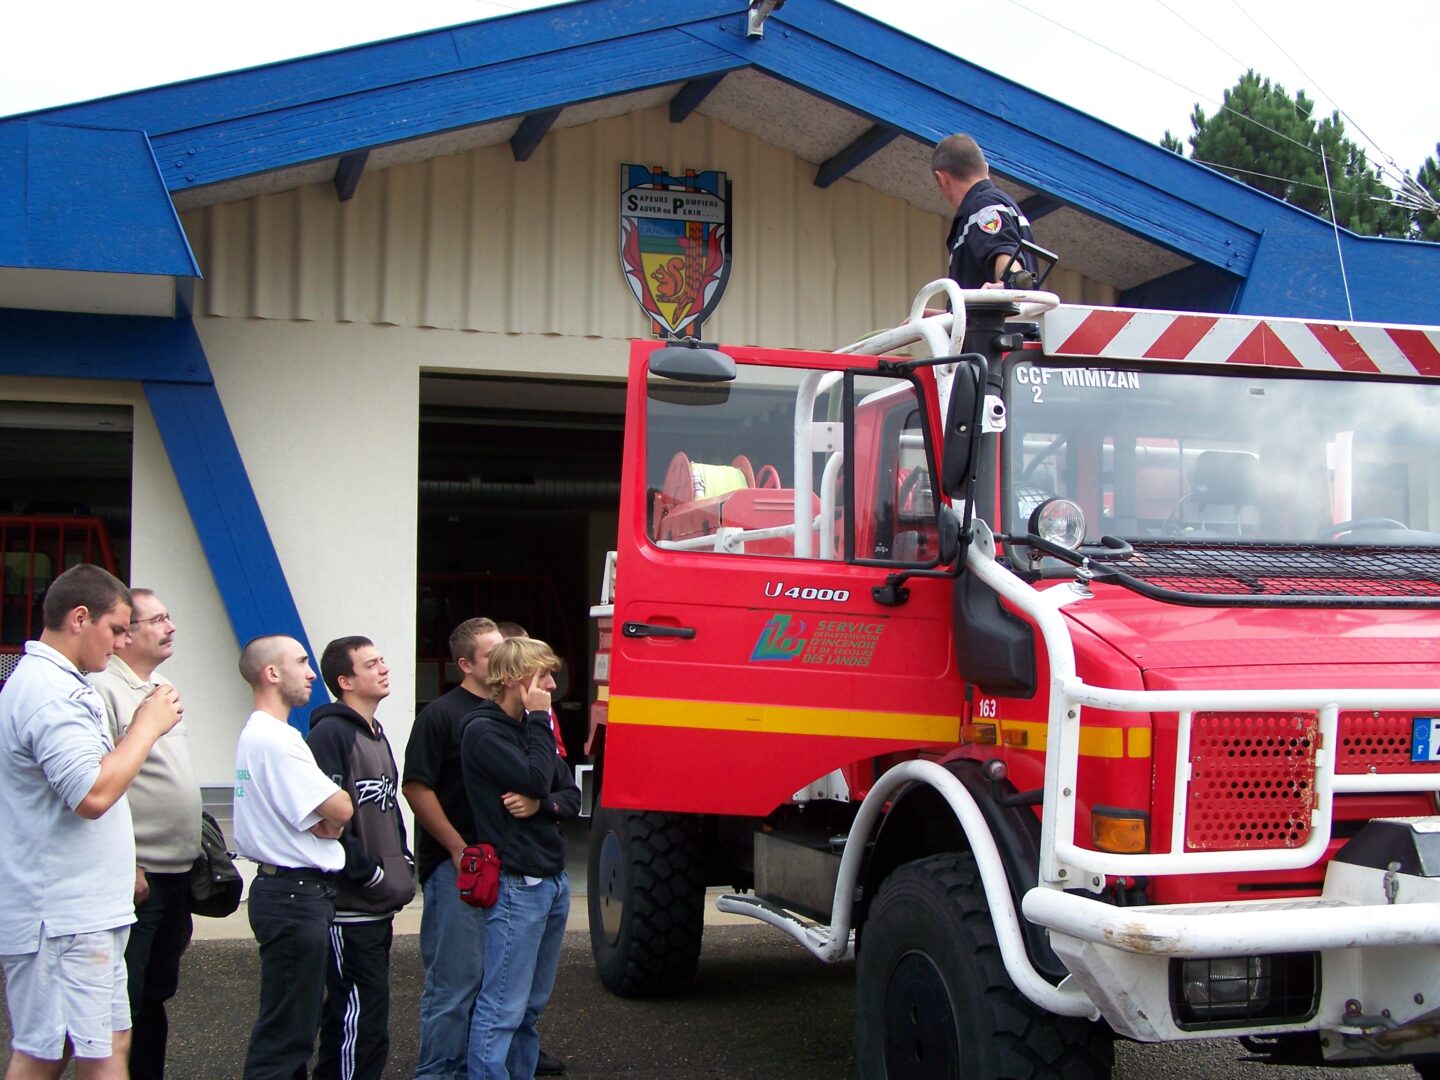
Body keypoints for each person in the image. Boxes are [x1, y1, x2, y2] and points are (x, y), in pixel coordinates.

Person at [0, 564, 183, 1079]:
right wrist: (147, 726)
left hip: (78, 915)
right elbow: (92, 793)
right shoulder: (52, 692)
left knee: (96, 1047)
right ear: (80, 618)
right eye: (118, 628)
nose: (124, 642)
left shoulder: (59, 684)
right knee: (60, 1053)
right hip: (63, 918)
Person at [91, 589, 201, 1080]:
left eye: (168, 615)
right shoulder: (104, 690)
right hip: (139, 876)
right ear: (126, 633)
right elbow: (100, 780)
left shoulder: (162, 686)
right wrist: (127, 859)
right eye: (157, 619)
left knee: (155, 996)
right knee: (126, 1002)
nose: (170, 626)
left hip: (176, 872)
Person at [233, 635, 354, 1080]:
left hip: (286, 892)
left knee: (290, 1028)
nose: (310, 673)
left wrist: (329, 816)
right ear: (271, 673)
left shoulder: (260, 735)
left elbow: (323, 819)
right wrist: (336, 809)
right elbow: (339, 809)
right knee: (287, 1037)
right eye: (301, 662)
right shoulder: (277, 741)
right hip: (293, 896)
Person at [462, 637, 580, 1080]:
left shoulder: (534, 729)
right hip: (516, 882)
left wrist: (540, 806)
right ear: (513, 679)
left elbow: (569, 796)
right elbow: (535, 776)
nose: (551, 684)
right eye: (543, 675)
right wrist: (537, 719)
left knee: (529, 1005)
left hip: (551, 879)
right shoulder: (484, 730)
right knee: (502, 1006)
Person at [306, 636, 415, 1080]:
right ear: (345, 680)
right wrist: (367, 872)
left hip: (378, 908)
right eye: (371, 664)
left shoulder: (376, 732)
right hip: (350, 910)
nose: (383, 668)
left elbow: (387, 808)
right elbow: (326, 819)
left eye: (382, 660)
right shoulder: (330, 734)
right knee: (356, 1019)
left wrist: (402, 861)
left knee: (368, 1017)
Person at [933, 133, 1036, 290]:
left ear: (942, 179)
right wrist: (949, 313)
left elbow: (1003, 248)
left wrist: (1008, 284)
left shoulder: (983, 205)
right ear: (986, 169)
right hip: (993, 314)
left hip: (1001, 314)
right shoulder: (1002, 205)